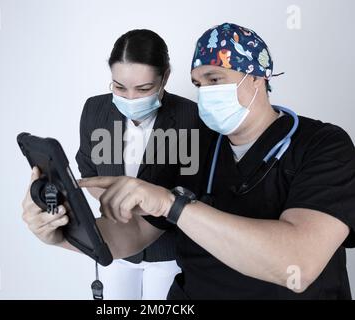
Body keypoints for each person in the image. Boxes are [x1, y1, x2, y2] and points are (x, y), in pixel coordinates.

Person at [22, 23, 355, 299]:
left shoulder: (322, 144)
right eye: (198, 84)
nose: (204, 93)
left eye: (214, 80)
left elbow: (297, 264)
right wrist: (65, 233)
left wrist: (173, 204)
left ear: (257, 77)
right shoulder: (198, 145)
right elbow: (136, 232)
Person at [23, 29, 209, 300]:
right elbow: (89, 171)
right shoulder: (94, 110)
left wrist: (143, 203)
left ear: (165, 77)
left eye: (143, 89)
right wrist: (119, 205)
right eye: (120, 87)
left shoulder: (193, 117)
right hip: (113, 244)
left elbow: (196, 192)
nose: (130, 98)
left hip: (170, 252)